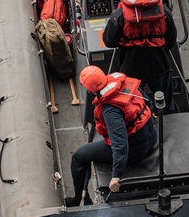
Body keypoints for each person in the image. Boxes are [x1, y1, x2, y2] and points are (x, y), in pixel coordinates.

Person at [65, 65, 158, 206]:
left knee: (79, 156)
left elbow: (120, 144)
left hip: (136, 150)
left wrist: (116, 176)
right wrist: (151, 112)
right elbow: (146, 100)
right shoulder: (121, 82)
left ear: (90, 89)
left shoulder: (110, 110)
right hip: (151, 135)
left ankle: (78, 199)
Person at [102, 0, 177, 113]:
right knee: (166, 101)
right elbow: (171, 40)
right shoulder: (164, 12)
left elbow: (109, 41)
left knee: (133, 103)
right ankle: (169, 123)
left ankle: (141, 125)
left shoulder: (120, 15)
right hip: (159, 63)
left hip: (132, 66)